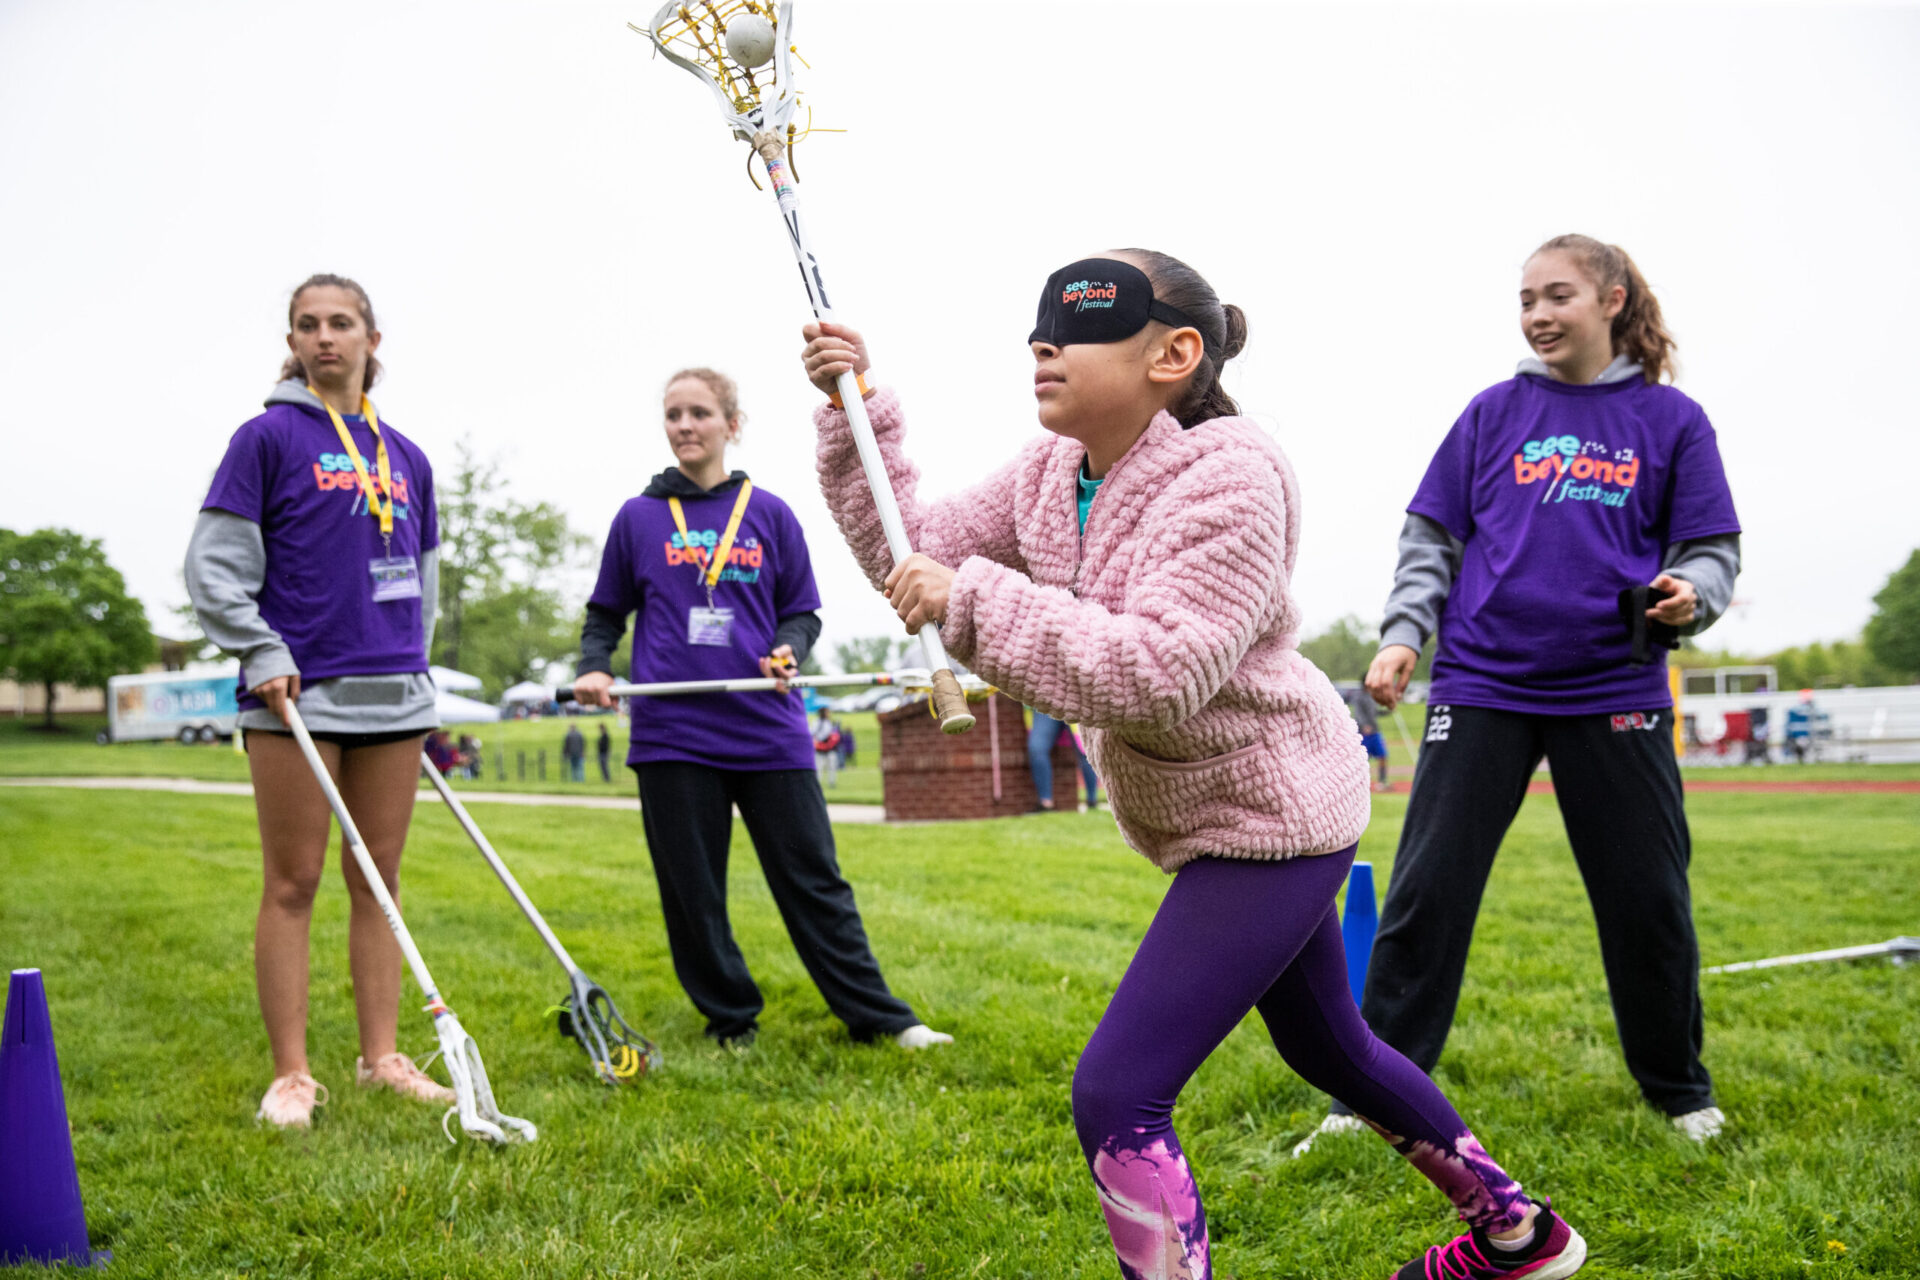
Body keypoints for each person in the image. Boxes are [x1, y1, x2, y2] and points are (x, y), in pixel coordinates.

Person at [802, 250, 1586, 1279]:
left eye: (1082, 316)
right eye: (1041, 321)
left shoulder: (1234, 475)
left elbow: (1157, 671)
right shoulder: (1055, 473)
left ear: (1174, 353)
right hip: (1214, 806)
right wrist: (857, 414)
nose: (1046, 341)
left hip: (1274, 811)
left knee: (1117, 1090)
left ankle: (1514, 1234)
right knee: (1330, 1046)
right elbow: (914, 546)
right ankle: (1522, 1236)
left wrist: (973, 600)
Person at [1301, 234, 1742, 1159]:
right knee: (1426, 897)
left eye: (1559, 295)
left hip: (1616, 686)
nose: (1539, 314)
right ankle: (1367, 1099)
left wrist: (1692, 592)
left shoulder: (1672, 421)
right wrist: (1401, 635)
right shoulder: (1492, 413)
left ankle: (1679, 1089)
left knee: (1648, 900)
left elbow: (1711, 551)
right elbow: (1430, 543)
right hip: (1484, 682)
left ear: (1612, 299)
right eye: (1526, 298)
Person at [573, 367, 950, 1053]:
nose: (685, 426)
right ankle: (730, 1019)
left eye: (699, 414)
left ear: (731, 425)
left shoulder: (770, 513)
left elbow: (801, 613)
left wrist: (787, 649)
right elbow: (605, 614)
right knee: (694, 891)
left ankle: (880, 1018)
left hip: (767, 728)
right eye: (674, 415)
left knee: (815, 879)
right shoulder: (638, 517)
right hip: (672, 734)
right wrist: (594, 667)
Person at [185, 273, 454, 1129]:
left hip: (392, 695)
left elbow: (424, 577)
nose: (325, 337)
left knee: (377, 881)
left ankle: (382, 1059)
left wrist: (417, 661)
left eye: (342, 323)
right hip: (296, 693)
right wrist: (259, 647)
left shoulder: (404, 454)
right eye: (308, 325)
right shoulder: (265, 439)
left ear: (374, 340)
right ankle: (292, 1075)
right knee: (293, 881)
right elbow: (214, 566)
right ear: (293, 343)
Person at [1026, 709, 1099, 811]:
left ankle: (1092, 801)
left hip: (1073, 704)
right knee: (1036, 749)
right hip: (1045, 706)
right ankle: (1045, 803)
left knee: (1084, 750)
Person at [1343, 683, 1391, 791]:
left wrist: (1387, 711)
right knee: (1362, 759)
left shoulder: (1372, 697)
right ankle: (1356, 782)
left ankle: (1382, 782)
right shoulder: (1359, 696)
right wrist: (1364, 725)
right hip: (1364, 733)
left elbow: (1374, 713)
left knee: (1382, 756)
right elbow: (1358, 713)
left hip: (1375, 732)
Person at [1784, 689, 1819, 763]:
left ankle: (1800, 755)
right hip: (1802, 735)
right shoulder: (1798, 710)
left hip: (1803, 735)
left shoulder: (1795, 710)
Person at [811, 708, 843, 788]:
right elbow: (813, 733)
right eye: (827, 712)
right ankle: (817, 783)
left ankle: (832, 782)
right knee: (819, 767)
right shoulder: (817, 722)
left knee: (832, 767)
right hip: (820, 749)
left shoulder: (829, 723)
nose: (829, 714)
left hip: (830, 749)